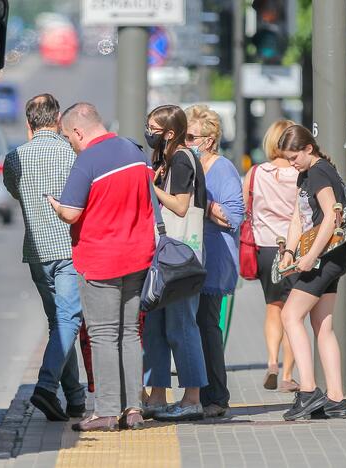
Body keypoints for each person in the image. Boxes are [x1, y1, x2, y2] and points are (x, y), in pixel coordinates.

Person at [47, 102, 155, 432]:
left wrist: (54, 203)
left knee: (104, 335)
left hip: (101, 260)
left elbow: (72, 213)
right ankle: (134, 408)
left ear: (78, 131)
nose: (70, 143)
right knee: (129, 333)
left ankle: (107, 411)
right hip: (138, 256)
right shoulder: (134, 151)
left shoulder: (88, 160)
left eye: (68, 137)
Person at [2, 94, 87, 421]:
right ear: (57, 121)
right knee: (68, 321)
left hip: (37, 253)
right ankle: (46, 387)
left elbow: (15, 190)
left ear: (29, 124)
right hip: (68, 250)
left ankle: (75, 399)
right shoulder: (71, 153)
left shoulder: (14, 158)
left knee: (59, 323)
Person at [277, 124, 346, 421]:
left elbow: (332, 218)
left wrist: (310, 255)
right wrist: (289, 251)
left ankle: (308, 391)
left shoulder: (319, 171)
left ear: (309, 148)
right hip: (332, 257)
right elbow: (298, 216)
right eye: (287, 158)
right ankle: (336, 399)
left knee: (289, 316)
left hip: (325, 256)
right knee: (323, 326)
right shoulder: (306, 173)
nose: (291, 163)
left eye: (294, 157)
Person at [142, 105, 208, 422]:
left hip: (181, 257)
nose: (148, 132)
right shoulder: (164, 161)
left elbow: (181, 207)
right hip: (164, 256)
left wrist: (150, 186)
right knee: (155, 327)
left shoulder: (182, 159)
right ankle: (156, 395)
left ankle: (192, 397)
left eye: (153, 128)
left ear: (169, 133)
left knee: (181, 326)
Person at [184, 104, 244, 418]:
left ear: (208, 140)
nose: (186, 141)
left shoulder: (222, 169)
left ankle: (216, 397)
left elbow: (235, 217)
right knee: (192, 326)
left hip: (215, 260)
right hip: (190, 258)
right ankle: (198, 394)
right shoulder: (189, 166)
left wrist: (200, 202)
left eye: (190, 136)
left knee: (207, 326)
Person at [243, 119, 299, 393]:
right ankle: (288, 375)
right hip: (296, 249)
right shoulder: (301, 173)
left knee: (273, 308)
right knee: (294, 313)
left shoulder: (256, 173)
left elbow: (245, 208)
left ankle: (271, 362)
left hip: (265, 248)